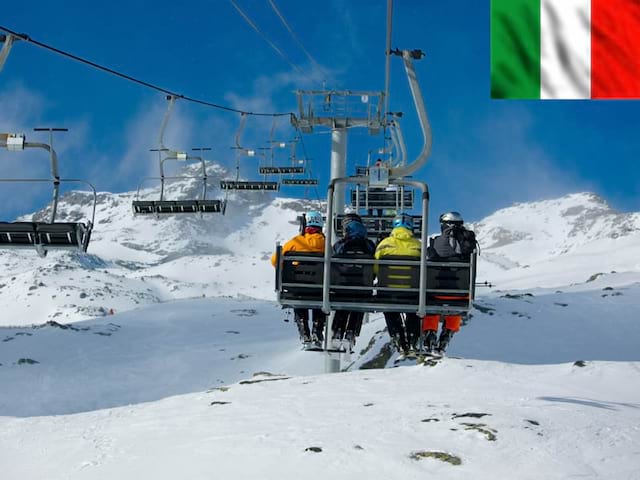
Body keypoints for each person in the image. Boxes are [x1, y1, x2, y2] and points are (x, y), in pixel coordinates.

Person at [423, 211, 477, 354]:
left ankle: (430, 334)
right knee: (456, 307)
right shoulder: (468, 245)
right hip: (461, 294)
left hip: (436, 293)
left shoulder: (435, 243)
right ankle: (447, 335)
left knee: (431, 307)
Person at [271, 210, 327, 347]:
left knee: (299, 294)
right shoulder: (326, 243)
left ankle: (304, 331)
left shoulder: (296, 242)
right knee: (320, 297)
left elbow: (275, 261)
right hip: (319, 289)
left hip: (297, 287)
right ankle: (317, 330)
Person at [374, 212, 422, 355]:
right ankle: (413, 339)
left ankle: (398, 338)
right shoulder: (418, 246)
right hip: (412, 293)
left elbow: (376, 268)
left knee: (389, 309)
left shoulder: (384, 245)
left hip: (388, 292)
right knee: (414, 310)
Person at [331, 213, 376, 350]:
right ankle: (352, 332)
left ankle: (337, 331)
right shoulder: (369, 245)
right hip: (363, 288)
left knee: (343, 304)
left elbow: (333, 263)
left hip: (342, 288)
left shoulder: (340, 244)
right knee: (358, 304)